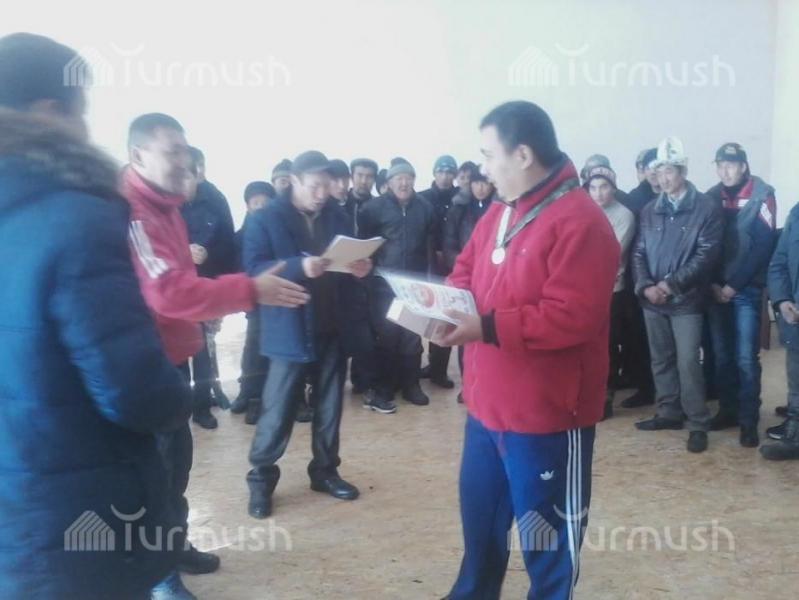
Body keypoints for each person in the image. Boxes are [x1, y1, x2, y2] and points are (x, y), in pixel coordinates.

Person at [0, 32, 191, 600]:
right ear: (49, 113)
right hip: (76, 513)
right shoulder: (76, 219)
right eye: (81, 110)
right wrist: (180, 397)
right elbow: (136, 395)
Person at [123, 113, 308, 599]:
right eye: (172, 151)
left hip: (170, 355)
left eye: (186, 150)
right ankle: (158, 574)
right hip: (141, 362)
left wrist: (208, 307)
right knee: (154, 474)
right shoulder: (135, 212)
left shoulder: (168, 204)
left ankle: (174, 546)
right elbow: (167, 291)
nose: (184, 161)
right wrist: (248, 289)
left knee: (175, 463)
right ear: (138, 155)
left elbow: (185, 279)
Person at [439, 100, 619, 599]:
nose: (482, 168)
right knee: (481, 530)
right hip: (486, 409)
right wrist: (444, 308)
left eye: (488, 155)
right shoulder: (499, 211)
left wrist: (485, 326)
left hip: (547, 416)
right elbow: (465, 270)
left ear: (522, 155)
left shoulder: (581, 222)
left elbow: (571, 316)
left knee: (549, 543)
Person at [243, 151, 372, 519]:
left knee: (330, 407)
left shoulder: (338, 216)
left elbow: (348, 260)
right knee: (278, 409)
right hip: (289, 327)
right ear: (294, 181)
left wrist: (360, 267)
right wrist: (300, 266)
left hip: (332, 324)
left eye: (327, 186)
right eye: (314, 186)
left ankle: (325, 472)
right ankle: (261, 479)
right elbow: (253, 270)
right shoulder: (265, 218)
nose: (322, 194)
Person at [631, 137, 723, 454]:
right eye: (659, 171)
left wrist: (669, 286)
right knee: (661, 359)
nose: (663, 178)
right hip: (652, 300)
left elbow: (706, 256)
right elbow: (639, 252)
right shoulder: (649, 210)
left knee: (688, 362)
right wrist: (646, 286)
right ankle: (668, 412)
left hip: (686, 300)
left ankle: (697, 422)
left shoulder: (706, 208)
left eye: (669, 170)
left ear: (683, 171)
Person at [705, 143, 777, 447]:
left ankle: (749, 420)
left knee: (746, 357)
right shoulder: (711, 197)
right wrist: (713, 283)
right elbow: (706, 244)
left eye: (731, 165)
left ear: (744, 166)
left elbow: (763, 247)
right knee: (722, 356)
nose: (725, 171)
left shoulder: (763, 195)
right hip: (715, 289)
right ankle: (728, 410)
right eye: (720, 165)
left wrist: (733, 285)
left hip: (746, 288)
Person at [358, 158, 437, 412]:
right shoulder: (373, 209)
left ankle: (411, 385)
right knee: (387, 336)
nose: (404, 183)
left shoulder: (425, 208)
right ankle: (385, 386)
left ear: (414, 181)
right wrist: (367, 281)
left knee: (412, 336)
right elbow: (364, 247)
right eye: (399, 179)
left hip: (414, 284)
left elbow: (430, 247)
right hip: (384, 284)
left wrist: (430, 281)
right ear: (389, 183)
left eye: (408, 178)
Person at [180, 148, 239, 429]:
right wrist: (183, 251)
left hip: (204, 284)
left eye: (189, 174)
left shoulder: (215, 199)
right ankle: (180, 406)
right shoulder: (162, 203)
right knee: (177, 350)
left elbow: (228, 243)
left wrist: (209, 255)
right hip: (173, 288)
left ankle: (202, 406)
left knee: (203, 349)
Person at [585, 165, 636, 419]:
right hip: (584, 290)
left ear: (613, 188)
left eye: (604, 187)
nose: (598, 193)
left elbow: (611, 253)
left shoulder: (623, 215)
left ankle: (606, 396)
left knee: (608, 344)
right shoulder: (584, 212)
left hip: (612, 290)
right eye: (593, 188)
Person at [444, 164, 495, 403]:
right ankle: (467, 385)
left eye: (485, 183)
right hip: (466, 278)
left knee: (488, 330)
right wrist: (464, 268)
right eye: (476, 183)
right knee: (465, 332)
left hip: (491, 278)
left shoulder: (499, 208)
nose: (481, 188)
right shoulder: (459, 209)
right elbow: (449, 244)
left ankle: (487, 383)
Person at [232, 181, 277, 425]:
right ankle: (250, 395)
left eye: (265, 203)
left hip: (277, 299)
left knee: (274, 352)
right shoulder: (240, 236)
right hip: (254, 300)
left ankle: (274, 398)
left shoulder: (279, 231)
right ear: (248, 206)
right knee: (253, 351)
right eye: (255, 203)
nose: (260, 207)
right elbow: (236, 266)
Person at [617, 146, 659, 409]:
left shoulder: (676, 197)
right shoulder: (633, 200)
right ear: (642, 171)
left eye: (659, 168)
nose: (654, 173)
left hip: (669, 279)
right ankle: (645, 387)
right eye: (649, 168)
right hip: (638, 278)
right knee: (639, 336)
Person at [761, 203, 799, 460]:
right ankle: (794, 435)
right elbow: (779, 262)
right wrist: (783, 300)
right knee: (796, 378)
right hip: (794, 315)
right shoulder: (797, 213)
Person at [419, 155, 460, 389]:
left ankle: (439, 370)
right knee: (429, 317)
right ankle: (431, 364)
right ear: (434, 173)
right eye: (441, 172)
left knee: (448, 316)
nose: (445, 177)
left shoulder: (461, 198)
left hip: (455, 267)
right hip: (428, 265)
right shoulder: (422, 198)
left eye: (449, 172)